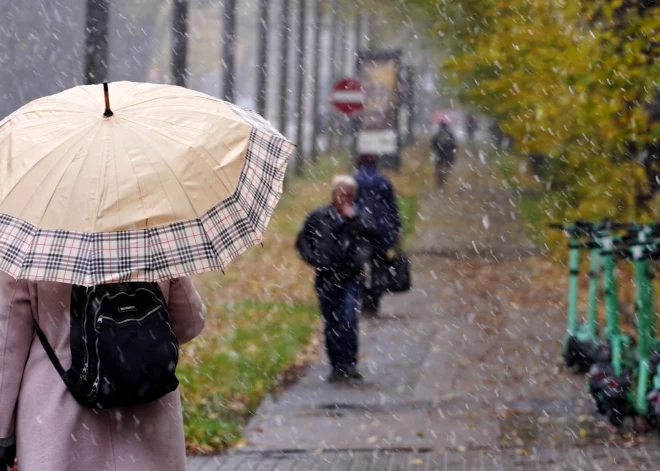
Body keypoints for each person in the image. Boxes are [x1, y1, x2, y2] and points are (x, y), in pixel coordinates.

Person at [0, 273, 206, 471]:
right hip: (147, 402)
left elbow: (7, 348)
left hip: (61, 409)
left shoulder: (32, 247)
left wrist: (3, 433)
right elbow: (190, 323)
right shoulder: (152, 241)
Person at [296, 176, 380, 382]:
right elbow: (302, 241)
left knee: (349, 318)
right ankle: (336, 366)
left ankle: (349, 363)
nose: (346, 199)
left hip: (352, 276)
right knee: (332, 323)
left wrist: (354, 220)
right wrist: (315, 259)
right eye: (342, 195)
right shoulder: (319, 216)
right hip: (326, 277)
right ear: (334, 194)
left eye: (350, 196)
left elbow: (374, 237)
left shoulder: (360, 216)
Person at [353, 154, 403, 316]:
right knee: (379, 264)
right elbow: (392, 208)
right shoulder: (384, 181)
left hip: (358, 230)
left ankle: (362, 293)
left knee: (356, 265)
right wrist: (397, 229)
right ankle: (374, 297)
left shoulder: (352, 181)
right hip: (381, 231)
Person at [431, 121, 457, 187]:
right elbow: (454, 145)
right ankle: (445, 176)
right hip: (448, 154)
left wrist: (436, 148)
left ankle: (439, 179)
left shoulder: (437, 134)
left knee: (438, 167)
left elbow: (433, 145)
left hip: (439, 153)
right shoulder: (450, 134)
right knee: (447, 166)